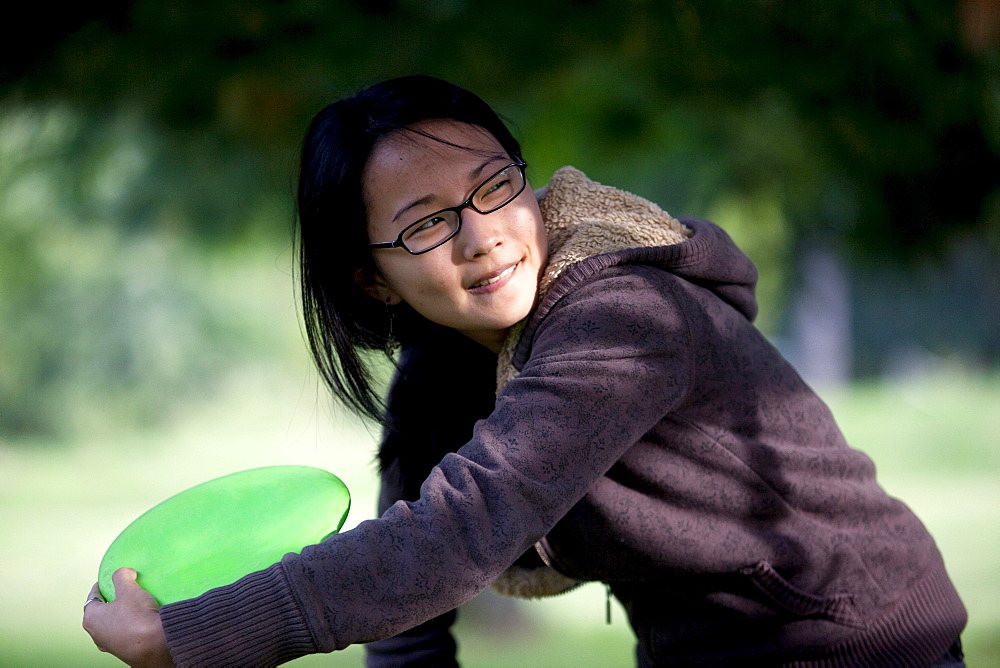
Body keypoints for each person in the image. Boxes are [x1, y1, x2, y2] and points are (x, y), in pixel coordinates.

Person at [84, 74, 967, 667]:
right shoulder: (441, 371)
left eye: (493, 185)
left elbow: (457, 533)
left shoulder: (624, 318)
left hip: (858, 636)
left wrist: (194, 639)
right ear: (368, 276)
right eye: (426, 224)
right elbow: (411, 606)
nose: (483, 236)